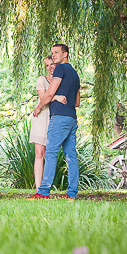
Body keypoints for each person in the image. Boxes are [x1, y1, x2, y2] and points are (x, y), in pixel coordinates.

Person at [28, 43, 82, 200]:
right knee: (71, 156)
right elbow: (77, 102)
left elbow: (50, 93)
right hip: (72, 118)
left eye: (57, 52)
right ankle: (72, 194)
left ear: (65, 54)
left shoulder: (60, 69)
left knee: (50, 153)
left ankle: (43, 192)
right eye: (52, 53)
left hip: (59, 118)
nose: (54, 55)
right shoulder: (75, 74)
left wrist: (38, 108)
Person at [29, 56, 67, 190]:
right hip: (41, 116)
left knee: (50, 154)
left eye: (52, 64)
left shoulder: (61, 80)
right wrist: (56, 96)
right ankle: (39, 187)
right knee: (39, 153)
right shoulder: (42, 80)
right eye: (47, 65)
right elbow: (43, 98)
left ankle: (47, 186)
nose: (50, 67)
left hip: (55, 117)